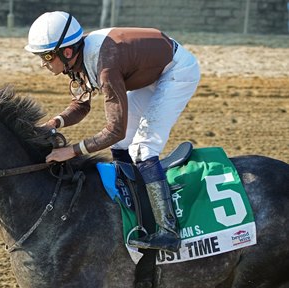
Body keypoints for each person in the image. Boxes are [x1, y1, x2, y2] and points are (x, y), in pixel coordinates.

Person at [25, 11, 200, 252]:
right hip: (148, 70)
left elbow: (114, 130)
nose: (43, 64)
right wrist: (55, 122)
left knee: (143, 148)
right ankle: (135, 210)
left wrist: (72, 151)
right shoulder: (78, 57)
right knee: (122, 146)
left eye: (46, 57)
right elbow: (81, 105)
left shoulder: (105, 66)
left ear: (66, 52)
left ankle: (168, 232)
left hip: (175, 72)